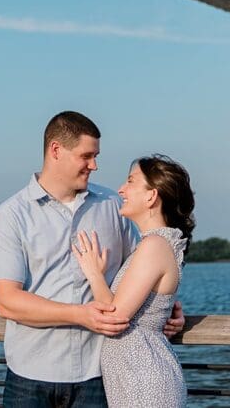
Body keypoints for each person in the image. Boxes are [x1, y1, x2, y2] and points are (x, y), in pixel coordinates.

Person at [0, 111, 185, 407]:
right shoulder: (11, 215)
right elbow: (6, 301)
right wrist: (80, 314)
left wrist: (165, 309)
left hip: (97, 378)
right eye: (86, 156)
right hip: (30, 378)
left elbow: (145, 270)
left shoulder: (114, 207)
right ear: (56, 151)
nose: (95, 165)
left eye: (96, 156)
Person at [71, 155, 194, 408]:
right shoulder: (154, 244)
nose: (121, 190)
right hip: (135, 376)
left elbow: (114, 318)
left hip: (145, 379)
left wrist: (94, 273)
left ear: (151, 196)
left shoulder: (155, 245)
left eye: (130, 181)